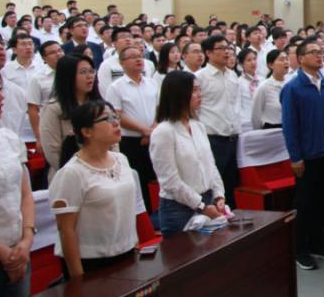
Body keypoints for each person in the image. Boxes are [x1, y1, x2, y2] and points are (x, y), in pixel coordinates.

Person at [49, 100, 138, 279]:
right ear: (87, 132)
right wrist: (78, 277)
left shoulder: (121, 159)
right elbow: (66, 229)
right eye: (107, 119)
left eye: (116, 117)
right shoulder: (72, 173)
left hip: (126, 253)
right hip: (92, 262)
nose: (116, 123)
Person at [280, 41, 324, 270]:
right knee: (304, 204)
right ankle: (300, 250)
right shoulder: (293, 88)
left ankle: (318, 245)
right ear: (301, 58)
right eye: (313, 52)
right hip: (306, 155)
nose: (319, 55)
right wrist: (295, 157)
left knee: (321, 202)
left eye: (320, 52)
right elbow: (290, 126)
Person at [150, 71, 226, 238]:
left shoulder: (198, 126)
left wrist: (218, 194)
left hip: (206, 201)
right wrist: (200, 206)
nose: (199, 95)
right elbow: (170, 181)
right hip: (178, 210)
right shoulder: (164, 132)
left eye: (199, 89)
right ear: (179, 94)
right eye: (194, 90)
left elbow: (210, 165)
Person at [0, 73, 36, 297]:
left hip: (19, 250)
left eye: (0, 89)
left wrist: (26, 240)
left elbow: (25, 194)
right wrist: (6, 255)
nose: (1, 97)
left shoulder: (8, 139)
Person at [104, 46, 159, 215]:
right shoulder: (116, 87)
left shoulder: (152, 83)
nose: (138, 59)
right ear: (122, 63)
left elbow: (159, 109)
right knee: (138, 180)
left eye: (140, 56)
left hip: (154, 137)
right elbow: (116, 115)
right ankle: (145, 217)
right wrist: (144, 131)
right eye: (133, 57)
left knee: (157, 178)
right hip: (131, 141)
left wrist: (152, 130)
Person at [194, 36, 241, 207]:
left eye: (228, 48)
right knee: (213, 186)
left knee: (231, 184)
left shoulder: (232, 75)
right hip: (212, 138)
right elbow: (194, 110)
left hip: (233, 138)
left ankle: (230, 215)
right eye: (221, 48)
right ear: (208, 53)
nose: (226, 52)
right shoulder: (199, 77)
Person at [40, 55, 102, 182]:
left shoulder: (100, 106)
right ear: (68, 76)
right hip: (70, 177)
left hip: (103, 172)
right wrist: (82, 174)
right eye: (83, 72)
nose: (89, 76)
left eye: (91, 71)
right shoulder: (54, 108)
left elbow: (113, 143)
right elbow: (53, 151)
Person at [250, 50, 288, 129]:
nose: (286, 62)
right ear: (271, 65)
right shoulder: (264, 87)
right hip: (270, 129)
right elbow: (256, 115)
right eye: (281, 59)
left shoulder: (290, 84)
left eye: (286, 59)